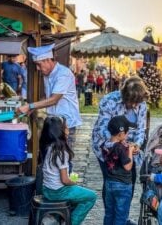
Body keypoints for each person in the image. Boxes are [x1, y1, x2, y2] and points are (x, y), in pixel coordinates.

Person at [92, 76, 149, 225]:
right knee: (110, 180)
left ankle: (121, 216)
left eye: (138, 102)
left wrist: (136, 144)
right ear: (124, 96)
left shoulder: (142, 104)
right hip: (108, 147)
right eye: (132, 102)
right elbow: (102, 129)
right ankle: (111, 216)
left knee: (129, 180)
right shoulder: (109, 101)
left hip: (127, 147)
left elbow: (141, 128)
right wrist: (119, 144)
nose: (135, 105)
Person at [17, 44, 82, 152]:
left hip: (66, 123)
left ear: (47, 60)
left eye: (39, 64)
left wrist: (30, 105)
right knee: (52, 157)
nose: (37, 68)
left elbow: (54, 99)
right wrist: (33, 108)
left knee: (63, 158)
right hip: (54, 121)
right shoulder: (48, 74)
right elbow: (48, 97)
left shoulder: (63, 74)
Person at [39, 116, 97, 225]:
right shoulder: (61, 151)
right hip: (58, 192)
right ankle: (71, 222)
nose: (68, 130)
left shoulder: (47, 147)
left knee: (77, 195)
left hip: (46, 189)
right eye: (66, 127)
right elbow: (65, 180)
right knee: (91, 197)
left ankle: (58, 217)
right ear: (59, 131)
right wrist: (73, 183)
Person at [103, 115, 136, 225]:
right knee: (121, 215)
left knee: (109, 213)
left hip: (109, 183)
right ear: (121, 134)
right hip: (123, 185)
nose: (127, 135)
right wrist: (130, 151)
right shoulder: (120, 148)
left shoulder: (105, 145)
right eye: (127, 133)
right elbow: (128, 167)